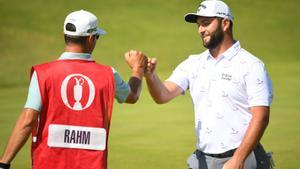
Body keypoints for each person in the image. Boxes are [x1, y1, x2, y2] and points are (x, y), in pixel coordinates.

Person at [0, 10, 147, 169]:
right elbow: (132, 96)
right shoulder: (108, 74)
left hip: (47, 163)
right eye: (97, 37)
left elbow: (28, 120)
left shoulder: (43, 73)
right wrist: (138, 68)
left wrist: (4, 163)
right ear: (91, 39)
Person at [145, 0, 273, 169]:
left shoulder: (251, 65)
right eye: (198, 25)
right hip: (203, 160)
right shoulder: (193, 63)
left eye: (206, 23)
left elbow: (261, 116)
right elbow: (162, 95)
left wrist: (238, 159)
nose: (200, 30)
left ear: (225, 23)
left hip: (244, 158)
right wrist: (150, 76)